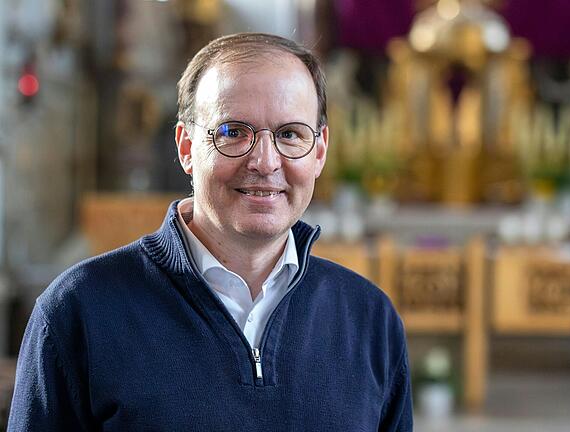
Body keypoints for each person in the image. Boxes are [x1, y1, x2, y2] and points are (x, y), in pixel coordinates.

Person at [8, 33, 412, 431]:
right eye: (233, 132)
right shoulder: (76, 311)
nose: (265, 162)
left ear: (319, 151)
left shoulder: (370, 319)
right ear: (186, 147)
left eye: (290, 134)